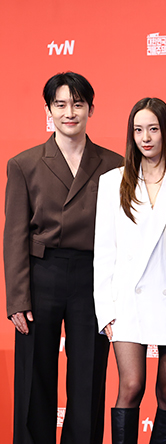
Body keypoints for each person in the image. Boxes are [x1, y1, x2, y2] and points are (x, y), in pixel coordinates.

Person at [4, 72, 123, 444]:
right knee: (35, 374)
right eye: (60, 105)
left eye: (78, 104)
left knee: (89, 374)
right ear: (48, 111)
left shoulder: (114, 164)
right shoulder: (24, 164)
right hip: (42, 274)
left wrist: (116, 295)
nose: (69, 112)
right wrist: (17, 300)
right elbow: (14, 236)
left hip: (92, 276)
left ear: (90, 109)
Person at [94, 98, 166, 444]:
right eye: (138, 130)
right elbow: (105, 250)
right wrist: (105, 308)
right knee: (131, 386)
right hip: (128, 301)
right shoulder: (112, 182)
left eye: (153, 129)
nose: (145, 138)